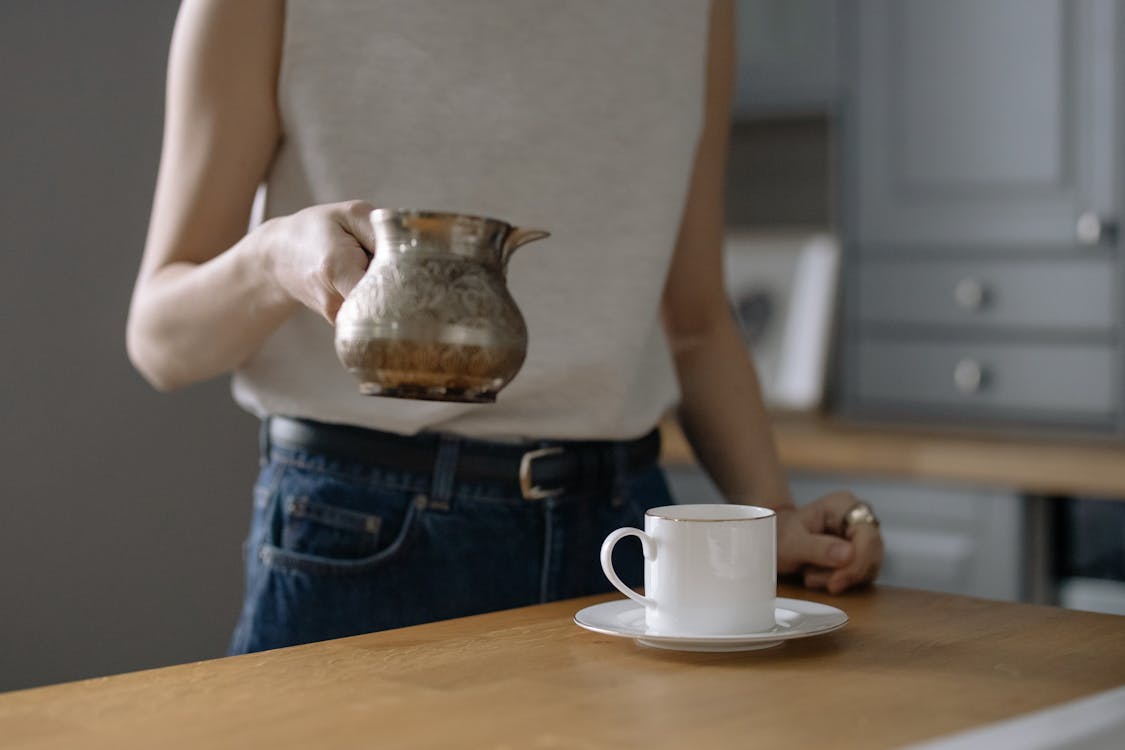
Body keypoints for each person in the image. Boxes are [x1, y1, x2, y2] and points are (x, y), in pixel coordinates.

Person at [127, 0, 883, 654]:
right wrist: (272, 259)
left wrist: (772, 519)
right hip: (363, 533)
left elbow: (694, 323)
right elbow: (160, 339)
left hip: (622, 536)